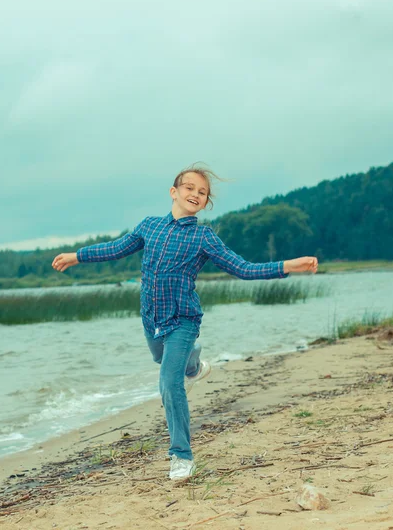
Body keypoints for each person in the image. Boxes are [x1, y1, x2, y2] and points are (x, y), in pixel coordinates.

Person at [52, 165, 318, 480]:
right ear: (173, 192)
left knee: (168, 382)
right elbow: (115, 249)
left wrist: (288, 265)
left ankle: (181, 455)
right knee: (162, 359)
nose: (195, 194)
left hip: (184, 320)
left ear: (205, 203)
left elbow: (242, 268)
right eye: (189, 187)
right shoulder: (149, 227)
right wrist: (76, 255)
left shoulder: (203, 237)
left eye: (202, 192)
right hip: (151, 318)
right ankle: (194, 365)